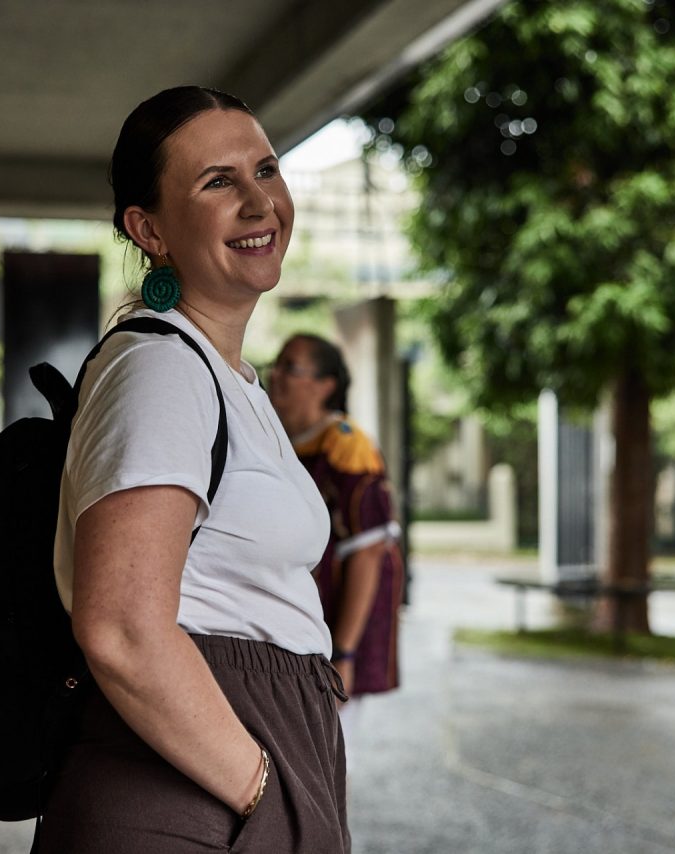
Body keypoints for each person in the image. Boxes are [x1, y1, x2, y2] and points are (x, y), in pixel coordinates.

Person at [41, 87, 348, 853]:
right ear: (150, 230)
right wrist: (263, 791)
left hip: (221, 780)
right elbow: (119, 627)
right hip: (184, 802)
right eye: (218, 181)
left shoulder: (226, 375)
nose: (259, 202)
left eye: (266, 170)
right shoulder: (161, 371)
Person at [268, 334, 403, 751]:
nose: (275, 376)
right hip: (299, 633)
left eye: (290, 367)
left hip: (335, 635)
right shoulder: (281, 441)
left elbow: (368, 552)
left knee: (328, 762)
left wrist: (343, 651)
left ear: (325, 385)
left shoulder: (347, 447)